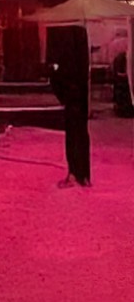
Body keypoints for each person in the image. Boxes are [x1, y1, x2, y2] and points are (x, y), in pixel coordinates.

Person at [47, 24, 91, 188]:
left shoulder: (56, 29)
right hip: (78, 86)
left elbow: (52, 61)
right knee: (81, 130)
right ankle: (84, 174)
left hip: (69, 86)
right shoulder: (79, 29)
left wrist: (59, 85)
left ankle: (75, 172)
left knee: (73, 130)